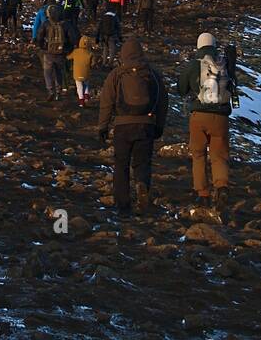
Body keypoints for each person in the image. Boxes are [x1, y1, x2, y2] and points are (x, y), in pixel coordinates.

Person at [98, 37, 168, 215]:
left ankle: (123, 204)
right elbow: (162, 101)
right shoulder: (152, 74)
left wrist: (103, 126)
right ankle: (141, 185)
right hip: (146, 125)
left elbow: (107, 101)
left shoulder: (117, 74)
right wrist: (159, 126)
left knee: (121, 165)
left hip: (122, 126)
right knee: (142, 163)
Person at [177, 33, 235, 211]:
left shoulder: (195, 64)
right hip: (221, 117)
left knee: (199, 155)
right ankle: (222, 186)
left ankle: (203, 194)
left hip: (199, 116)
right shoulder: (223, 63)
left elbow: (181, 89)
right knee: (219, 155)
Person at [35, 0, 79, 101]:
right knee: (59, 72)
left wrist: (43, 47)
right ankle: (58, 91)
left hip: (48, 52)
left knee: (47, 72)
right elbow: (73, 38)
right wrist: (69, 49)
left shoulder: (46, 23)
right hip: (61, 53)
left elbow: (39, 37)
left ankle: (50, 91)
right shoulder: (66, 24)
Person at [68, 34, 95, 106]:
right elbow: (93, 64)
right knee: (86, 82)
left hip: (77, 74)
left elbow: (68, 57)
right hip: (86, 73)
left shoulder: (76, 51)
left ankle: (81, 101)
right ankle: (86, 94)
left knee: (79, 87)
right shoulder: (90, 53)